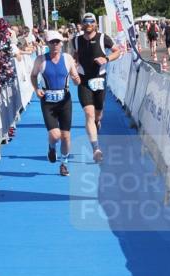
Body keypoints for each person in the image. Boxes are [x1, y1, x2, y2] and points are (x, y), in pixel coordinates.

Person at [31, 30, 81, 176]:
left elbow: (75, 78)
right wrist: (36, 89)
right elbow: (33, 76)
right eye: (52, 42)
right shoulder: (41, 60)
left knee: (66, 136)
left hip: (65, 101)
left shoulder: (68, 59)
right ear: (47, 44)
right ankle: (52, 147)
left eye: (57, 42)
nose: (55, 45)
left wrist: (77, 80)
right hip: (48, 102)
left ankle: (64, 164)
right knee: (55, 135)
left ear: (62, 43)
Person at [73, 12, 121, 163]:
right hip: (84, 80)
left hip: (99, 79)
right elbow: (74, 56)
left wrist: (106, 58)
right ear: (81, 24)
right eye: (85, 22)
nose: (88, 25)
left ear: (95, 24)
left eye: (91, 22)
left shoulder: (103, 37)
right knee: (89, 113)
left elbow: (118, 51)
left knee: (97, 115)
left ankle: (97, 123)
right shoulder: (75, 40)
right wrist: (74, 68)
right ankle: (96, 149)